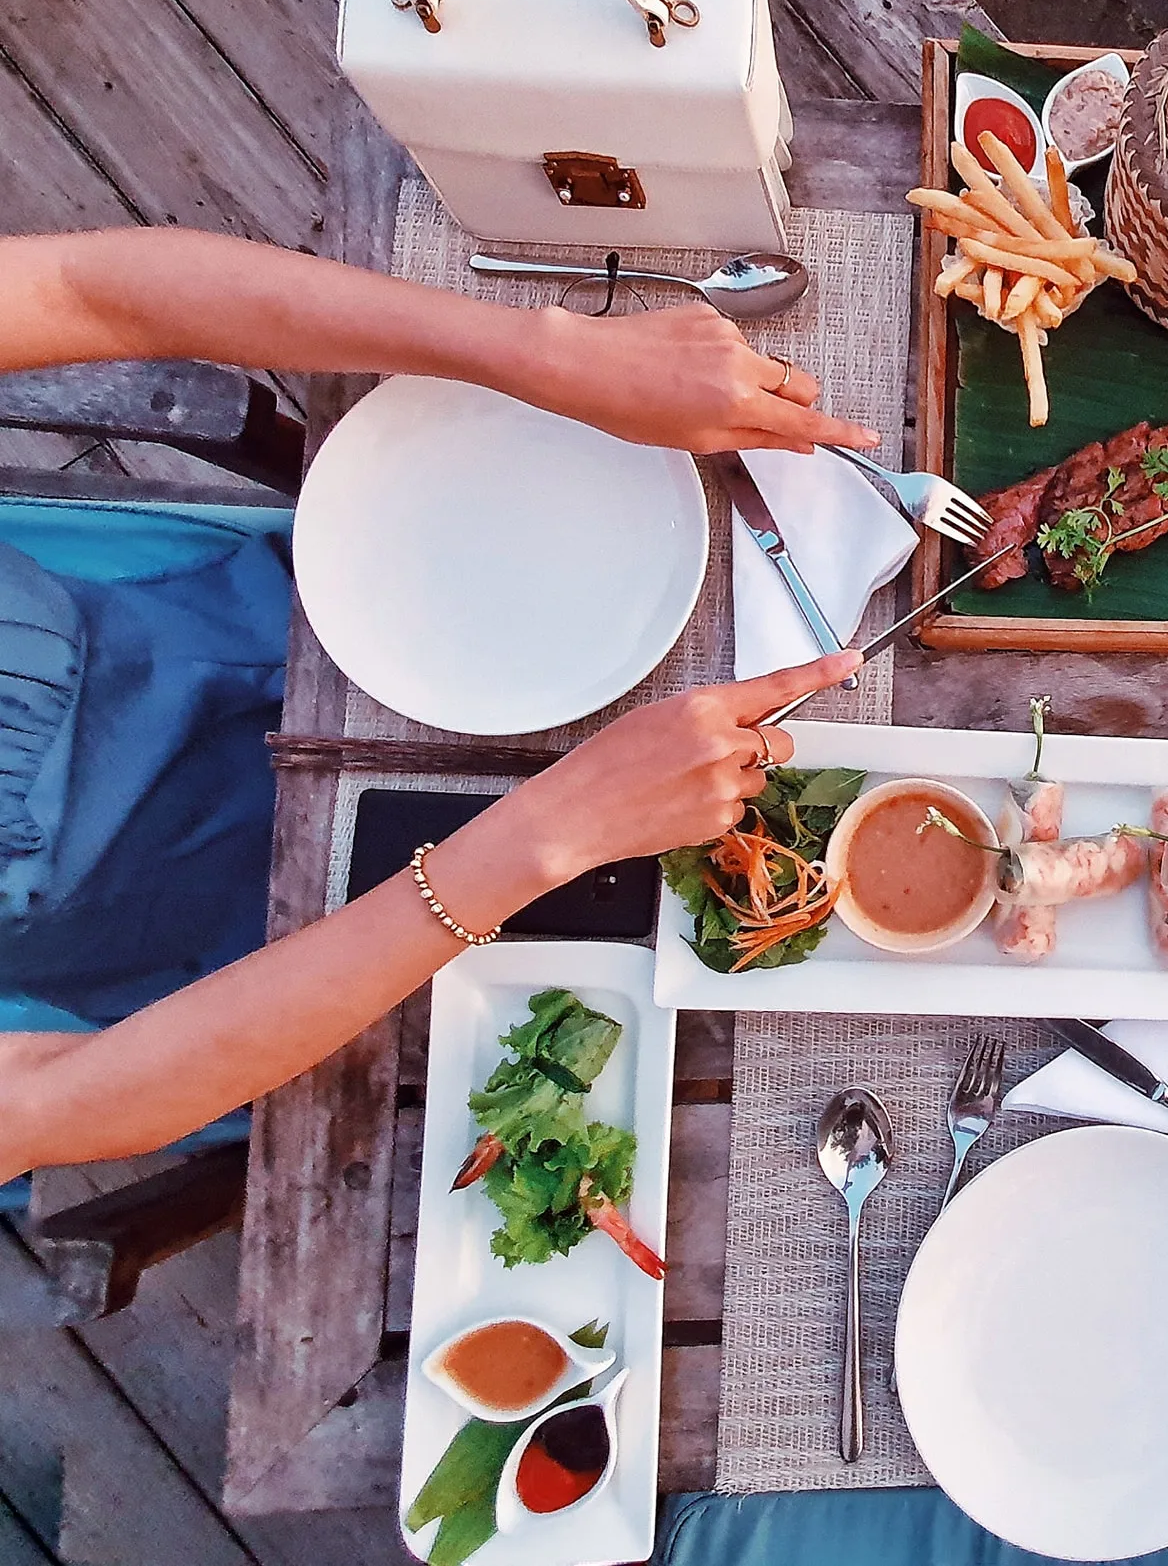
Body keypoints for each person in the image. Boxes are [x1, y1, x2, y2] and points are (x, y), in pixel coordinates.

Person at [0, 227, 867, 1186]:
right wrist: (545, 834)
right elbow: (67, 1101)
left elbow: (88, 289)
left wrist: (549, 351)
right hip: (233, 951)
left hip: (205, 620)